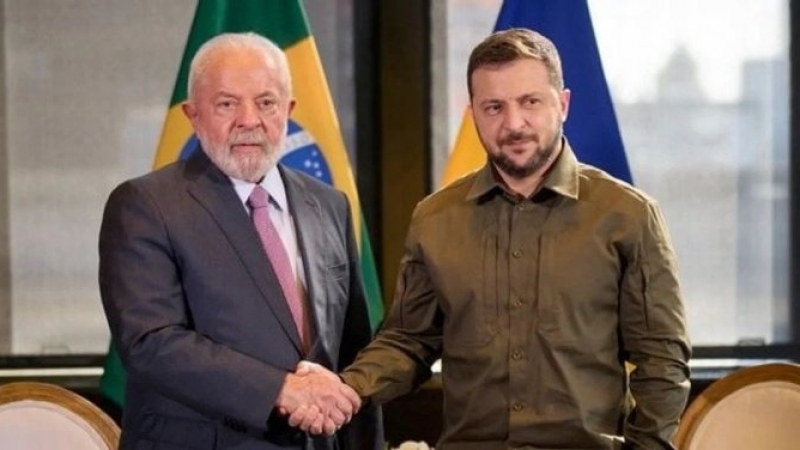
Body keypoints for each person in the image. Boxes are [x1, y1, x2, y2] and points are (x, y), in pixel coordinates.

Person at [299, 28, 691, 449]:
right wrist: (347, 388)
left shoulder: (628, 215)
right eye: (494, 107)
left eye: (530, 102)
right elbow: (409, 341)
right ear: (473, 115)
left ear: (562, 104)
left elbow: (662, 362)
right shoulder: (434, 218)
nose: (514, 124)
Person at [99, 32, 381, 450]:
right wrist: (280, 390)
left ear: (288, 111)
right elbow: (152, 342)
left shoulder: (329, 205)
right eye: (227, 104)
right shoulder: (145, 205)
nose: (249, 120)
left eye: (266, 103)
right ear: (193, 115)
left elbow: (352, 349)